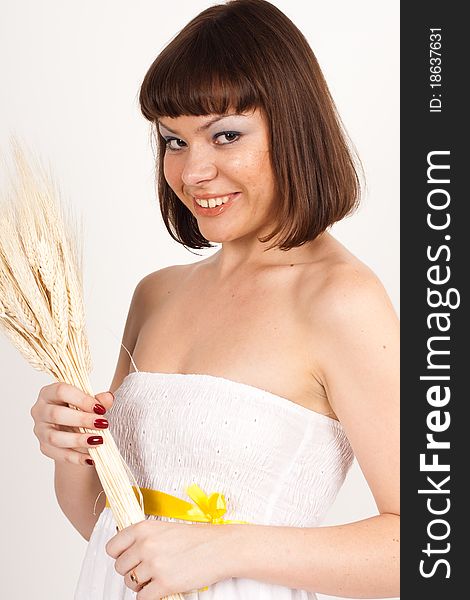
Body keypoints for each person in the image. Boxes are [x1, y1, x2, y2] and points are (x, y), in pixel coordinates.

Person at [31, 0, 399, 598]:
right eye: (174, 140)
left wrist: (225, 548)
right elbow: (106, 526)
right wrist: (70, 448)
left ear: (295, 127)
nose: (194, 170)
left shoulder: (339, 301)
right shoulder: (157, 293)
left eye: (225, 135)